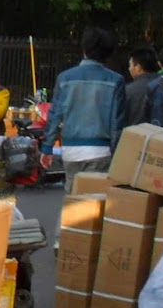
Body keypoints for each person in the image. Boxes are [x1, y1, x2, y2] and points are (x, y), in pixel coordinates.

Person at [42, 27, 127, 190]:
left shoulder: (65, 78)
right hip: (101, 151)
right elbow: (117, 124)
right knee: (95, 199)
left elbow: (54, 115)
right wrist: (116, 155)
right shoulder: (116, 80)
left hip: (71, 150)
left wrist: (47, 147)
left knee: (74, 198)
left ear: (84, 50)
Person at [125, 48, 160, 127]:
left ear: (138, 67)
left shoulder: (128, 90)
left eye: (130, 65)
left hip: (136, 133)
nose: (129, 69)